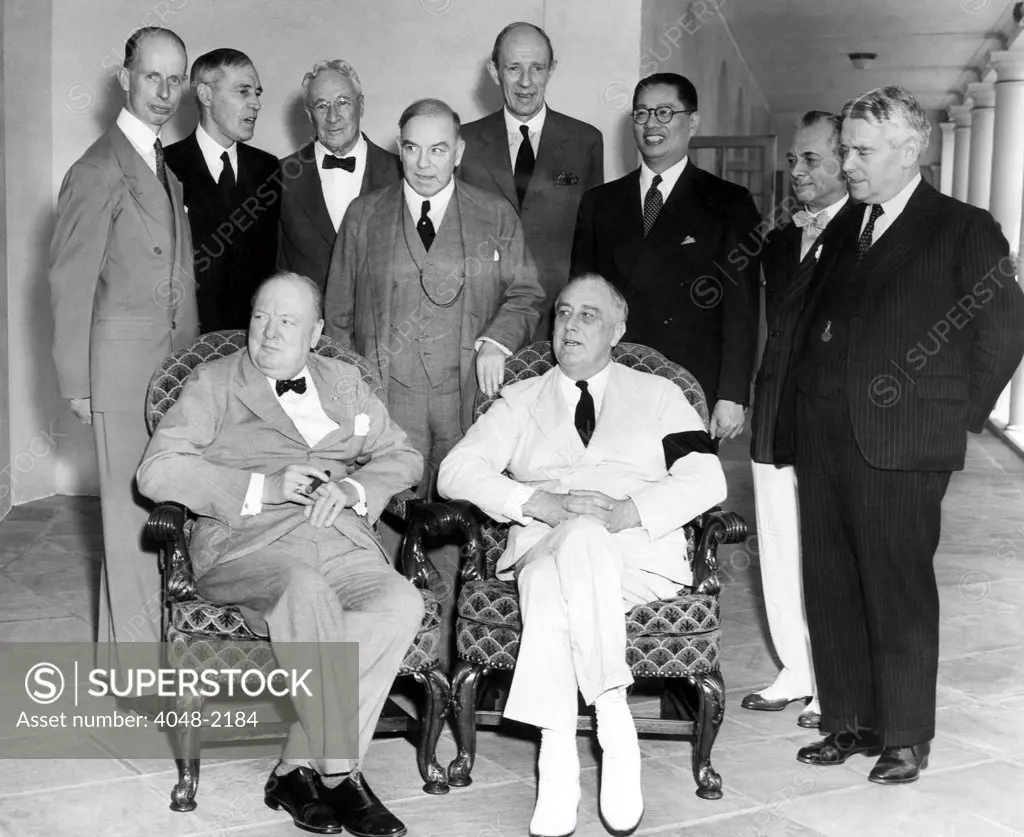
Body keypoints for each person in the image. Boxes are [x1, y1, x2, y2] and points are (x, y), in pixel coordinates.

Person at [777, 86, 1024, 784]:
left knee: (896, 586)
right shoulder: (846, 224)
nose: (846, 162)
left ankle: (906, 735)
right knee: (831, 581)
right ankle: (849, 719)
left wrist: (956, 417)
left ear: (909, 150)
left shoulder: (962, 226)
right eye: (846, 149)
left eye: (861, 150)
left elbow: (1006, 329)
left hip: (904, 440)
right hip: (824, 432)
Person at [437, 274, 726, 836]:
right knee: (575, 541)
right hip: (546, 540)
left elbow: (707, 478)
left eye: (587, 316)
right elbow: (455, 471)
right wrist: (537, 501)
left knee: (556, 578)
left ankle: (558, 752)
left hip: (637, 559)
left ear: (618, 330)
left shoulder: (661, 396)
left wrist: (626, 511)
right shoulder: (519, 400)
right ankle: (612, 722)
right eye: (563, 314)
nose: (569, 326)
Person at [137, 272, 423, 837]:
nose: (267, 333)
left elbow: (403, 454)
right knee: (304, 591)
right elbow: (157, 469)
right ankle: (342, 775)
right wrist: (262, 487)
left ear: (315, 333)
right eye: (261, 317)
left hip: (339, 537)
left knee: (400, 601)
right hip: (247, 543)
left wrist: (356, 490)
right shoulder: (215, 381)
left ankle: (294, 769)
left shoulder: (344, 381)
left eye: (287, 322)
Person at [49, 27, 198, 653]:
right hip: (120, 373)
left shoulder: (163, 164)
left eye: (175, 79)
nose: (164, 92)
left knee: (163, 511)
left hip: (169, 371)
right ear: (125, 78)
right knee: (131, 519)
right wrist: (77, 384)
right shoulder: (96, 169)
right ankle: (134, 665)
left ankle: (156, 647)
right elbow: (68, 281)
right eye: (152, 77)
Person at [323, 97, 545, 494]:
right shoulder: (363, 215)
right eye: (412, 148)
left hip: (467, 396)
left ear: (458, 152)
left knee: (458, 512)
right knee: (385, 506)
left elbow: (526, 292)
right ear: (399, 148)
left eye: (437, 150)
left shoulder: (495, 214)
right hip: (385, 396)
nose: (423, 163)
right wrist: (352, 391)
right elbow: (338, 312)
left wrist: (497, 342)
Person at [571, 72, 760, 443]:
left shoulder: (728, 202)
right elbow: (582, 301)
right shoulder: (600, 203)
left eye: (664, 112)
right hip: (613, 378)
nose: (651, 124)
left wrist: (733, 394)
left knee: (683, 493)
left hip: (691, 383)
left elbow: (743, 308)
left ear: (693, 122)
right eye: (641, 114)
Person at [744, 110, 853, 729]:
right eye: (793, 160)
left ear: (844, 161)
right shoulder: (782, 238)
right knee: (779, 544)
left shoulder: (866, 233)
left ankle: (832, 681)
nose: (798, 172)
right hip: (774, 406)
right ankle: (795, 668)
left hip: (830, 418)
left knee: (826, 550)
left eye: (812, 159)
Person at [459, 22, 604, 340]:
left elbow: (592, 242)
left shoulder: (586, 142)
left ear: (551, 70)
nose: (526, 82)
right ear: (495, 72)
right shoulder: (462, 142)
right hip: (481, 318)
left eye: (537, 68)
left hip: (559, 318)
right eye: (513, 68)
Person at [165, 48, 281, 332]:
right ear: (205, 95)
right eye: (243, 91)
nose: (256, 103)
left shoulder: (268, 168)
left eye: (257, 92)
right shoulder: (164, 166)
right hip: (186, 342)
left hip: (253, 343)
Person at [278, 60, 402, 292]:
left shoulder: (402, 173)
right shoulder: (279, 177)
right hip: (308, 324)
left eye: (343, 102)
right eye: (322, 105)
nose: (333, 117)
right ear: (308, 113)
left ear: (361, 106)